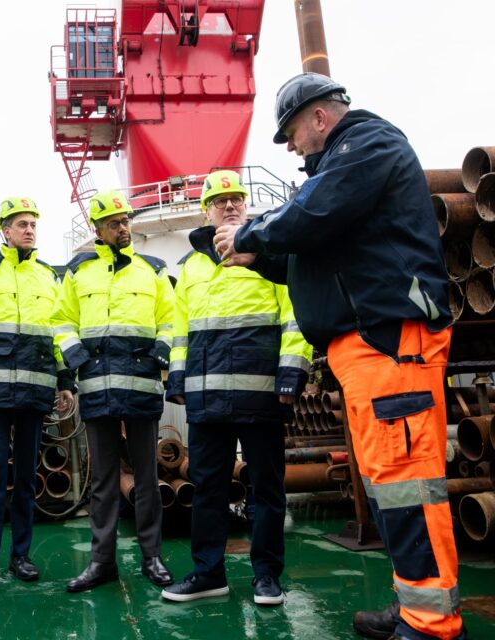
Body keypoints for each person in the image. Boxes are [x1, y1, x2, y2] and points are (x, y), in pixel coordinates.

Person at [215, 73, 463, 640]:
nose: (291, 147)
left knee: (405, 482)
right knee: (387, 484)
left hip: (389, 344)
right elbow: (310, 254)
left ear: (319, 118)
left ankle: (431, 624)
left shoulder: (367, 144)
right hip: (367, 349)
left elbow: (313, 214)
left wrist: (250, 233)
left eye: (291, 134)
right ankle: (413, 605)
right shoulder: (340, 171)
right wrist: (260, 257)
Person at [161, 171, 312, 606]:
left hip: (261, 393)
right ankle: (208, 573)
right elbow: (181, 330)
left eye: (237, 199)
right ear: (205, 210)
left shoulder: (269, 253)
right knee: (208, 487)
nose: (230, 206)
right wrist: (178, 380)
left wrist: (291, 373)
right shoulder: (191, 267)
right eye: (220, 200)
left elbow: (295, 316)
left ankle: (266, 576)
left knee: (266, 488)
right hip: (206, 398)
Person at [0, 197, 75, 599]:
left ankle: (20, 555)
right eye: (21, 224)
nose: (29, 230)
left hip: (35, 390)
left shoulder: (47, 276)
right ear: (5, 230)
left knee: (25, 478)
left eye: (33, 224)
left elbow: (58, 332)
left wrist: (65, 380)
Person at [52, 189, 175, 593]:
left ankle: (152, 557)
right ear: (98, 230)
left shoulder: (153, 270)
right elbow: (62, 321)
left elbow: (172, 320)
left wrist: (159, 355)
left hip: (140, 386)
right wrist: (77, 359)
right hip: (97, 388)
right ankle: (101, 562)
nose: (123, 228)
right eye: (114, 223)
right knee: (103, 481)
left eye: (125, 221)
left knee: (147, 477)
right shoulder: (78, 273)